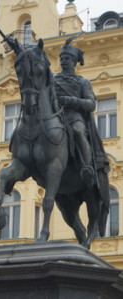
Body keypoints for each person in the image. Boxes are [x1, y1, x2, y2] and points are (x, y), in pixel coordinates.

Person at [54, 37, 109, 188]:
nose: (63, 61)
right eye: (62, 58)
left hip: (74, 116)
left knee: (78, 131)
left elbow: (91, 104)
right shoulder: (53, 79)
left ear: (74, 61)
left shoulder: (83, 82)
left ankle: (87, 167)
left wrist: (72, 101)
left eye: (67, 58)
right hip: (56, 116)